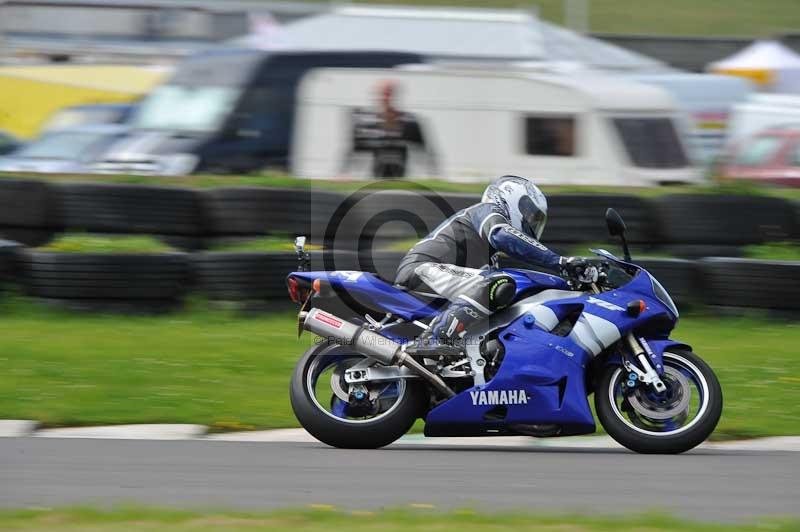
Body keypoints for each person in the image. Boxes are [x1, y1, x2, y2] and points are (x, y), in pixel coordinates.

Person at [395, 175, 590, 354]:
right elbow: (501, 234)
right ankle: (434, 339)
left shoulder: (490, 258)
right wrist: (559, 262)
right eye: (530, 214)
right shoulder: (485, 211)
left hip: (442, 287)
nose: (532, 223)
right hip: (422, 267)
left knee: (500, 295)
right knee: (498, 283)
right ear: (509, 198)